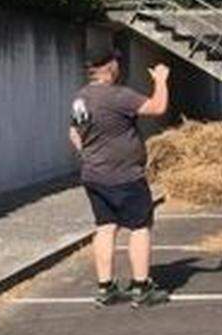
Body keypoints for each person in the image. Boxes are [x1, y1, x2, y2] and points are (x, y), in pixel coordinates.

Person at [68, 47, 171, 308]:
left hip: (94, 175)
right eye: (117, 63)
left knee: (105, 226)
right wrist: (160, 80)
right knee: (139, 227)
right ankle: (141, 287)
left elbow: (74, 133)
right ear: (111, 66)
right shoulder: (119, 96)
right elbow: (158, 107)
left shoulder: (81, 97)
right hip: (125, 176)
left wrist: (90, 155)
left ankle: (106, 287)